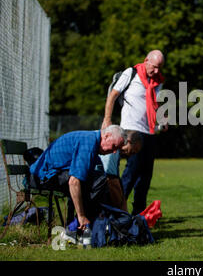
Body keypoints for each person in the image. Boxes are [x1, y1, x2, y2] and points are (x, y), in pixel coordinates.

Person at [102, 50, 167, 215]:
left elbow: (157, 104)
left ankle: (139, 214)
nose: (157, 71)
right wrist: (107, 120)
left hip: (150, 132)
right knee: (131, 172)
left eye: (160, 68)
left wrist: (163, 119)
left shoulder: (158, 81)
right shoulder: (131, 73)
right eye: (154, 67)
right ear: (146, 61)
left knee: (145, 176)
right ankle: (116, 210)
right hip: (131, 130)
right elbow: (113, 95)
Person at [29, 125, 127, 230]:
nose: (114, 152)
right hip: (42, 178)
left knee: (95, 180)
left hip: (50, 174)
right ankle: (78, 224)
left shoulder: (91, 141)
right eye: (114, 146)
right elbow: (74, 182)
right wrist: (81, 215)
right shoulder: (88, 143)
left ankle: (77, 225)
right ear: (106, 136)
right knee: (97, 181)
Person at [98, 130, 142, 211]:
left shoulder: (116, 151)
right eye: (133, 150)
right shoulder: (113, 150)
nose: (132, 153)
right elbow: (111, 180)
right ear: (128, 141)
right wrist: (123, 211)